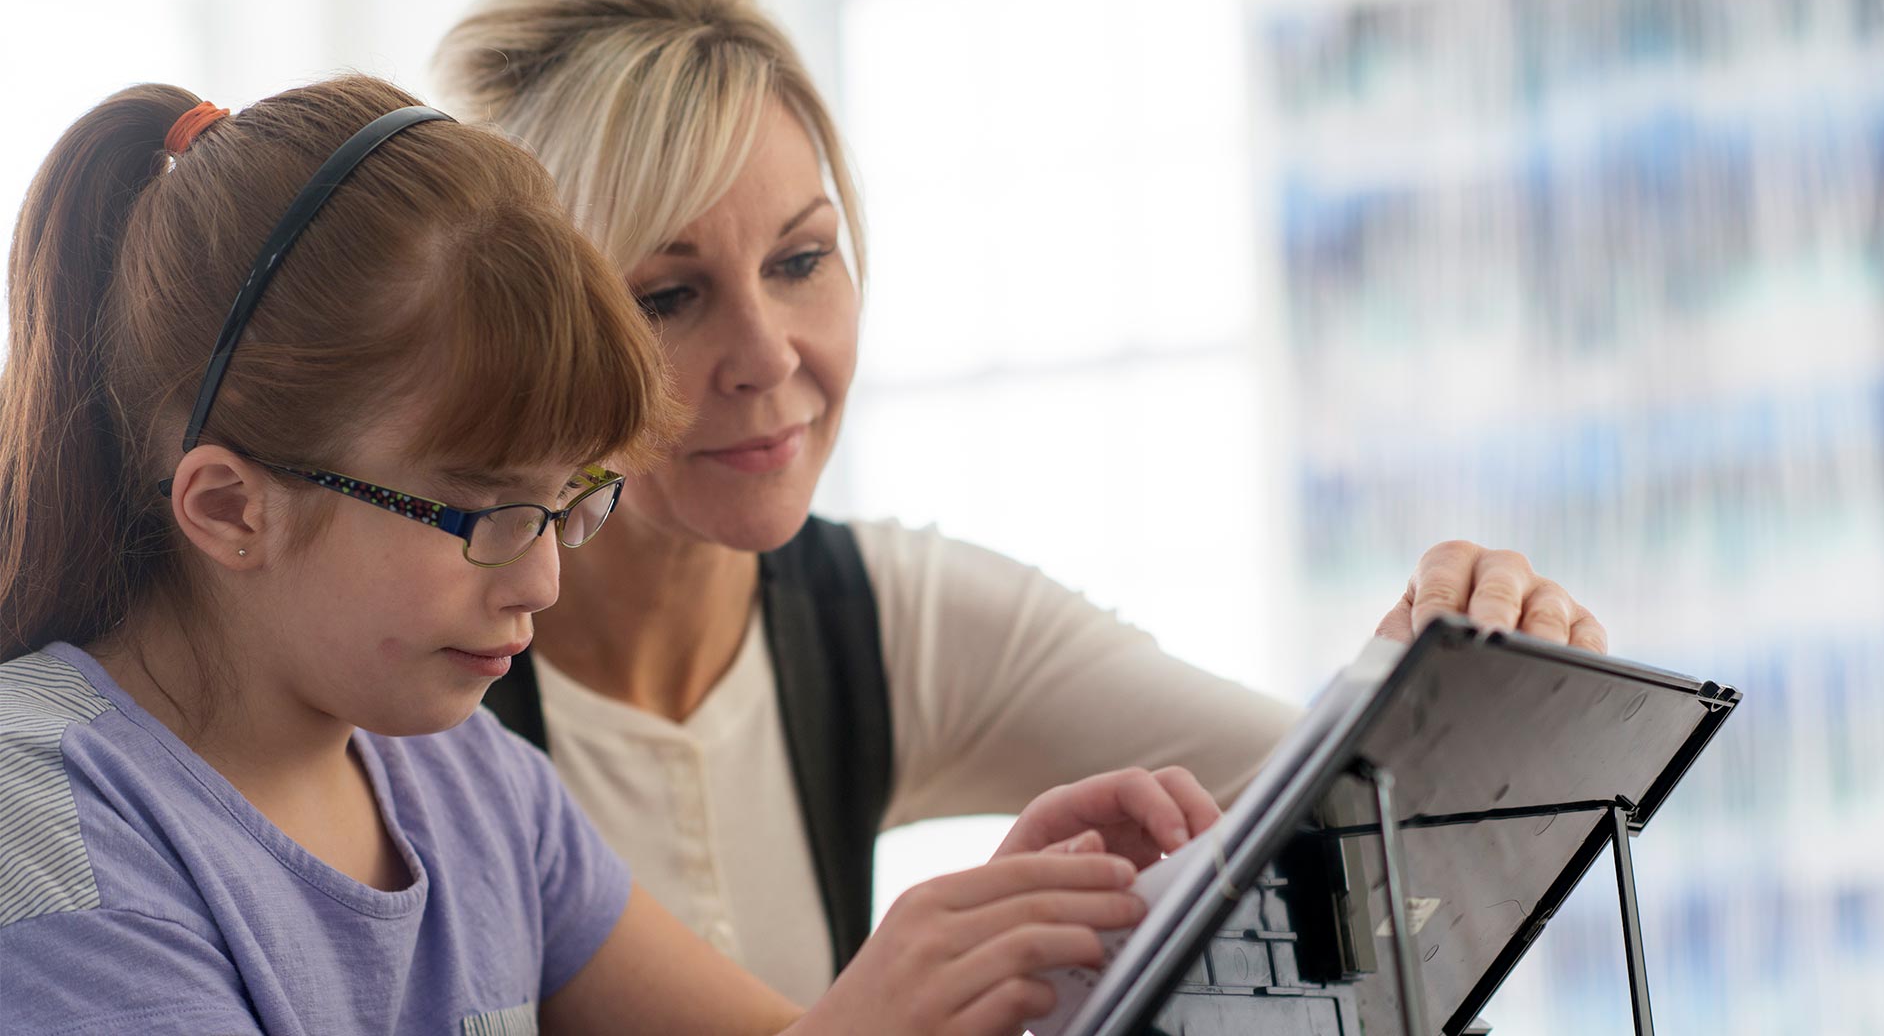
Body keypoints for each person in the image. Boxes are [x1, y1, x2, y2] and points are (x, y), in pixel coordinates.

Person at [430, 0, 1612, 1006]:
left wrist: (1454, 675)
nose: (769, 355)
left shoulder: (885, 622)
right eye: (666, 296)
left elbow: (1372, 827)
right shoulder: (421, 690)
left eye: (802, 259)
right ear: (545, 335)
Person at [0, 75, 1226, 1035]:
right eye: (484, 514)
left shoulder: (474, 786)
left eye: (572, 502)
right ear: (229, 510)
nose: (539, 579)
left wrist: (977, 960)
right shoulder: (40, 818)